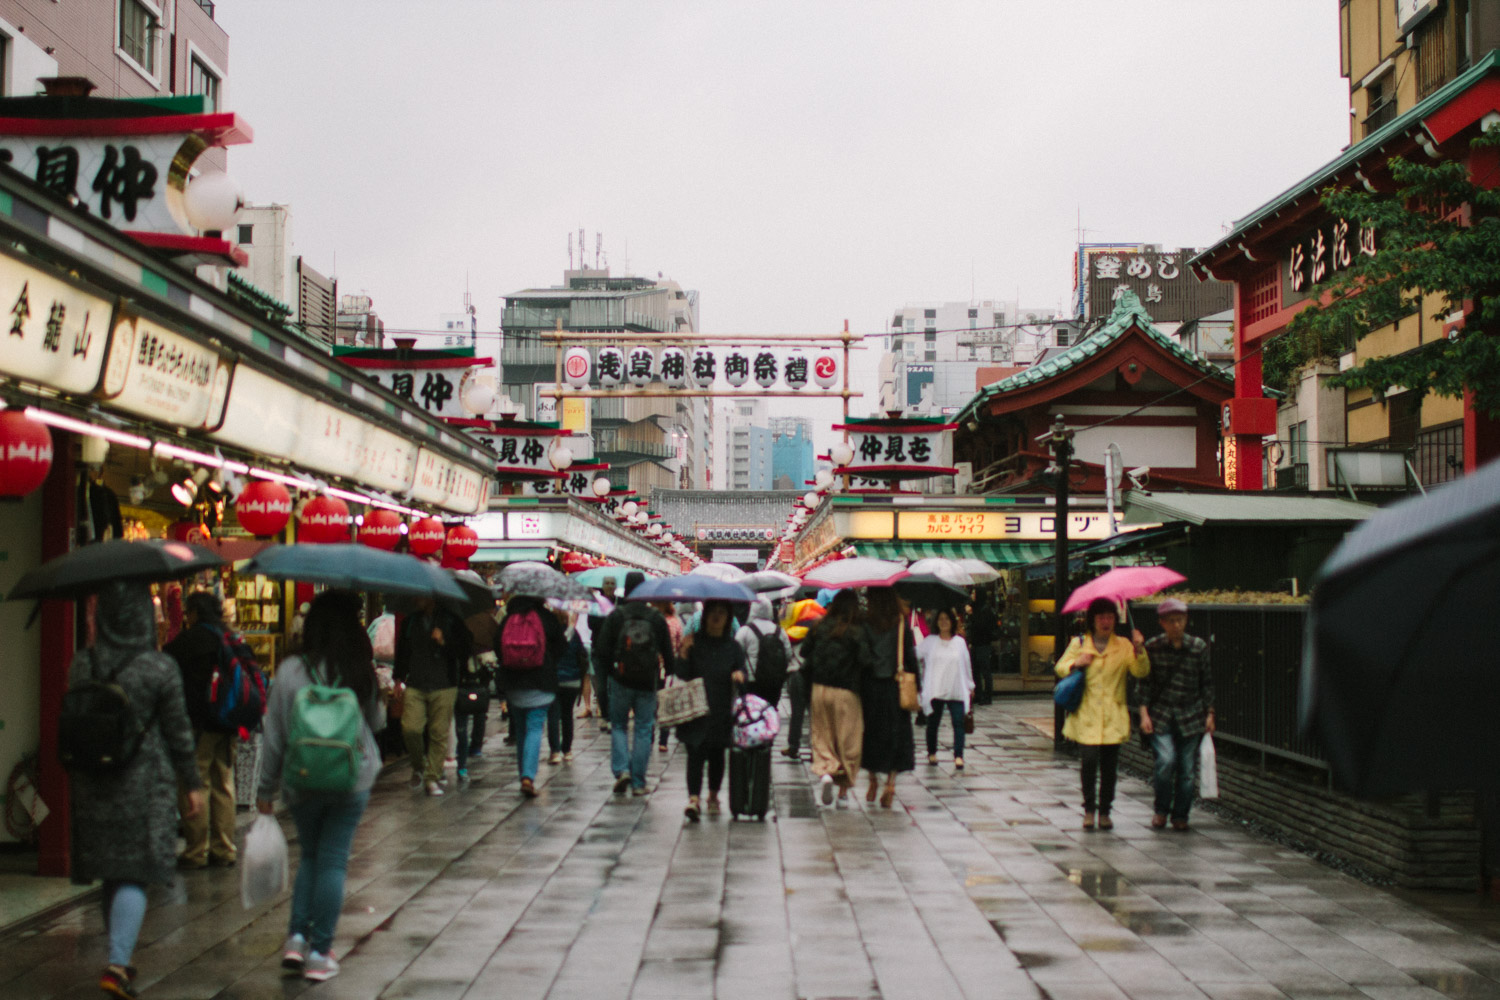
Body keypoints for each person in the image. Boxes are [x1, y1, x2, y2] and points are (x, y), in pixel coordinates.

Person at [69, 581, 203, 1000]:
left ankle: (120, 957)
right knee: (135, 871)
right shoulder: (158, 668)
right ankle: (116, 963)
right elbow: (180, 733)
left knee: (112, 869)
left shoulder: (81, 663)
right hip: (145, 783)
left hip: (92, 781)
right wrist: (192, 784)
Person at [257, 590, 386, 984]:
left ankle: (296, 939)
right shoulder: (357, 666)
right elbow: (378, 722)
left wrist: (265, 789)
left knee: (309, 858)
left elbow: (275, 733)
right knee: (333, 861)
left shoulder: (291, 669)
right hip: (350, 779)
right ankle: (320, 953)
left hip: (302, 779)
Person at [1055, 597, 1150, 831]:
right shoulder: (1079, 643)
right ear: (1092, 620)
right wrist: (1078, 662)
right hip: (1086, 715)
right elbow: (1060, 667)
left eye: (1109, 617)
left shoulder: (1124, 645)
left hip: (1112, 716)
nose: (1105, 621)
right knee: (1088, 762)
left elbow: (1140, 671)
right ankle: (1089, 809)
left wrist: (1139, 648)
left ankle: (1105, 810)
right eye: (1100, 617)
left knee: (1109, 767)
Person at [163, 591, 239, 869]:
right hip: (229, 721)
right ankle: (225, 849)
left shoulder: (191, 639)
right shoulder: (231, 637)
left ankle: (197, 851)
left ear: (195, 612)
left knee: (196, 782)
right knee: (224, 783)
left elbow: (167, 660)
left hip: (200, 722)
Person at [593, 572, 673, 795]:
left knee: (618, 725)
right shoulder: (655, 618)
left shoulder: (617, 616)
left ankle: (621, 770)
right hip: (648, 681)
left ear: (625, 589)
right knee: (643, 729)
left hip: (621, 680)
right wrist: (667, 675)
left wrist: (612, 673)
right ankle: (638, 782)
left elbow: (602, 650)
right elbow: (667, 652)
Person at [1140, 598, 1214, 831]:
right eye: (1171, 621)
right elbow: (1144, 684)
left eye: (1180, 620)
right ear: (1162, 623)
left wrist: (1210, 713)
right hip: (1161, 715)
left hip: (1191, 716)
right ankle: (1161, 810)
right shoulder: (1153, 647)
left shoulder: (1198, 647)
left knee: (1187, 771)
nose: (1176, 626)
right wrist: (1144, 714)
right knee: (1165, 761)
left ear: (1186, 620)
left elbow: (1207, 683)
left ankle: (1181, 815)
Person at [675, 600, 748, 820]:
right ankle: (694, 799)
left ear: (728, 618)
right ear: (705, 616)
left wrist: (739, 676)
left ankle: (713, 795)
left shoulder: (733, 647)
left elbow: (742, 674)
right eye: (713, 612)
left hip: (720, 708)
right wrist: (684, 654)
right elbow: (682, 673)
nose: (717, 617)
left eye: (722, 613)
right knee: (695, 754)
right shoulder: (694, 642)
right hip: (696, 708)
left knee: (717, 754)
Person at [799, 590, 871, 807]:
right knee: (848, 741)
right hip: (846, 692)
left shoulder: (819, 626)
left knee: (822, 737)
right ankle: (843, 793)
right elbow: (866, 661)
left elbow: (804, 652)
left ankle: (826, 774)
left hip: (819, 689)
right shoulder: (856, 631)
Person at [395, 597, 471, 797]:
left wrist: (444, 641)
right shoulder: (410, 621)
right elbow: (402, 651)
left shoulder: (452, 620)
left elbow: (465, 650)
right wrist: (398, 678)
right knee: (410, 728)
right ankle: (419, 766)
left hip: (444, 684)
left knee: (438, 732)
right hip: (416, 683)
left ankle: (432, 778)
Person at [496, 594, 568, 797]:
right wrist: (547, 660)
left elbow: (497, 643)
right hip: (541, 680)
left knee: (520, 730)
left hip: (513, 680)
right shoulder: (547, 617)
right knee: (535, 727)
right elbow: (561, 646)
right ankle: (528, 776)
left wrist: (511, 662)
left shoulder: (509, 616)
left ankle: (523, 776)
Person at [861, 588, 917, 807]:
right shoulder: (901, 623)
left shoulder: (866, 624)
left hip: (871, 688)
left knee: (872, 736)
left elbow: (863, 657)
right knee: (897, 737)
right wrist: (917, 687)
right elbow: (910, 658)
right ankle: (891, 784)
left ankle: (873, 778)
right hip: (896, 686)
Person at [917, 608, 976, 770]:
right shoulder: (930, 641)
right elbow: (915, 654)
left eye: (947, 619)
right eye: (940, 619)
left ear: (952, 622)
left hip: (955, 689)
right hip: (936, 689)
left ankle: (958, 756)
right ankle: (932, 753)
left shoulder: (959, 643)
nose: (943, 622)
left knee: (958, 723)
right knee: (933, 723)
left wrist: (970, 685)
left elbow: (966, 664)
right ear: (936, 622)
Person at [455, 600, 499, 781]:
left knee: (462, 707)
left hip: (464, 668)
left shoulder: (460, 620)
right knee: (481, 704)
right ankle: (476, 745)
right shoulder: (488, 619)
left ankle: (462, 744)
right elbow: (497, 639)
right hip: (484, 666)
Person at [735, 597, 792, 706]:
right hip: (774, 681)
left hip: (752, 680)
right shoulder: (780, 631)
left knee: (753, 713)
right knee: (771, 710)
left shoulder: (745, 630)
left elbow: (736, 653)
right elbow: (788, 654)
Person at [547, 609, 586, 763]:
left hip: (553, 680)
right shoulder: (574, 633)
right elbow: (581, 653)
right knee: (567, 715)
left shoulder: (550, 634)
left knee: (553, 715)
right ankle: (567, 750)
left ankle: (555, 751)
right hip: (572, 680)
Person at [586, 577, 618, 730]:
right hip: (598, 649)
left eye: (612, 584)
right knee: (602, 687)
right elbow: (590, 624)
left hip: (616, 651)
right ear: (602, 586)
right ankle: (605, 715)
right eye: (607, 584)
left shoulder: (619, 603)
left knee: (614, 686)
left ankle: (612, 716)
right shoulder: (596, 603)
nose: (609, 586)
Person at [657, 601, 685, 752]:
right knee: (666, 703)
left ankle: (649, 738)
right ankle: (663, 741)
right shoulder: (676, 622)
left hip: (654, 667)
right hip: (669, 667)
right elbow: (680, 645)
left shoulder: (655, 621)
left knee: (653, 703)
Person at [966, 588, 999, 705]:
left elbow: (981, 626)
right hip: (976, 644)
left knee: (985, 671)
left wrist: (972, 615)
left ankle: (987, 695)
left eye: (974, 593)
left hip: (983, 644)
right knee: (975, 670)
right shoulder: (974, 608)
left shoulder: (985, 610)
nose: (972, 595)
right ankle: (979, 694)